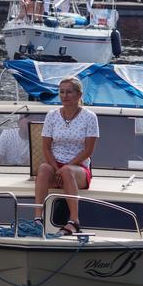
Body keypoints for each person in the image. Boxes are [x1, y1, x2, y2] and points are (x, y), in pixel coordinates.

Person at [34, 77, 99, 235]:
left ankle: (74, 221)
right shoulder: (52, 115)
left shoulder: (90, 117)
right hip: (55, 165)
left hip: (79, 167)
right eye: (61, 92)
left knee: (67, 171)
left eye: (69, 92)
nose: (64, 96)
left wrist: (67, 167)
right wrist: (56, 168)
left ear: (79, 95)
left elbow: (88, 151)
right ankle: (37, 219)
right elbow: (46, 147)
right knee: (43, 168)